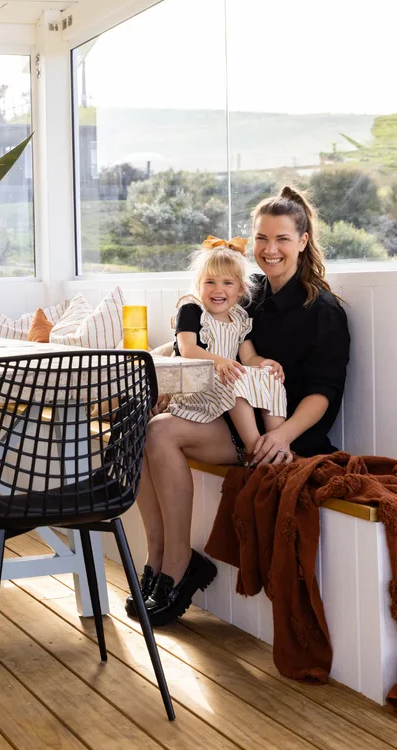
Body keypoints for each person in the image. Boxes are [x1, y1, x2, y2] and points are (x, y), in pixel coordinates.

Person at [126, 186, 349, 627]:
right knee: (141, 423)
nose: (270, 249)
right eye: (262, 238)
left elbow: (324, 392)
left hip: (281, 431)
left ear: (303, 241)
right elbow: (202, 335)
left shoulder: (323, 311)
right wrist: (169, 371)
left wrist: (280, 436)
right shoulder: (249, 295)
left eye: (282, 239)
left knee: (160, 433)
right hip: (225, 411)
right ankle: (158, 556)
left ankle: (178, 567)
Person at [169, 238, 287, 463]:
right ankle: (255, 451)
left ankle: (276, 448)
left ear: (241, 289)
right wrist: (219, 361)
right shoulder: (192, 309)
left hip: (223, 379)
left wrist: (266, 364)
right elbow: (187, 349)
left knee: (271, 378)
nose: (218, 290)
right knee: (232, 377)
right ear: (199, 284)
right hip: (196, 384)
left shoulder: (240, 318)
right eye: (210, 282)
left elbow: (249, 357)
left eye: (227, 283)